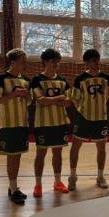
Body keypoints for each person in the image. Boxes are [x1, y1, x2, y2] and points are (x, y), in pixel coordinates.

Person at [0, 48, 32, 205]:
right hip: (8, 123)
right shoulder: (2, 79)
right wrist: (14, 94)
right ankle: (13, 189)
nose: (25, 65)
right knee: (11, 155)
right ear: (13, 62)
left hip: (22, 123)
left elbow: (29, 102)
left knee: (18, 155)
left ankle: (13, 187)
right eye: (22, 62)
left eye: (26, 62)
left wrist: (27, 96)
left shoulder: (26, 80)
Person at [31, 48, 73, 197]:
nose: (56, 64)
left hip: (60, 122)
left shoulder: (63, 80)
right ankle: (38, 184)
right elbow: (41, 101)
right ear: (45, 62)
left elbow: (69, 102)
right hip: (43, 123)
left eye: (58, 62)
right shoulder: (37, 80)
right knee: (40, 154)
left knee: (58, 153)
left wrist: (52, 100)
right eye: (53, 61)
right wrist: (59, 98)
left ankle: (57, 182)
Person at [67, 49, 109, 191]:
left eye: (98, 59)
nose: (96, 62)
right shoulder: (80, 79)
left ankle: (100, 176)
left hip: (101, 119)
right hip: (84, 118)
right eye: (93, 60)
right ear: (86, 62)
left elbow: (107, 95)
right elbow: (75, 98)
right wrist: (81, 110)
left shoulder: (106, 78)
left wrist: (100, 107)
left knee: (102, 148)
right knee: (75, 147)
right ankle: (72, 176)